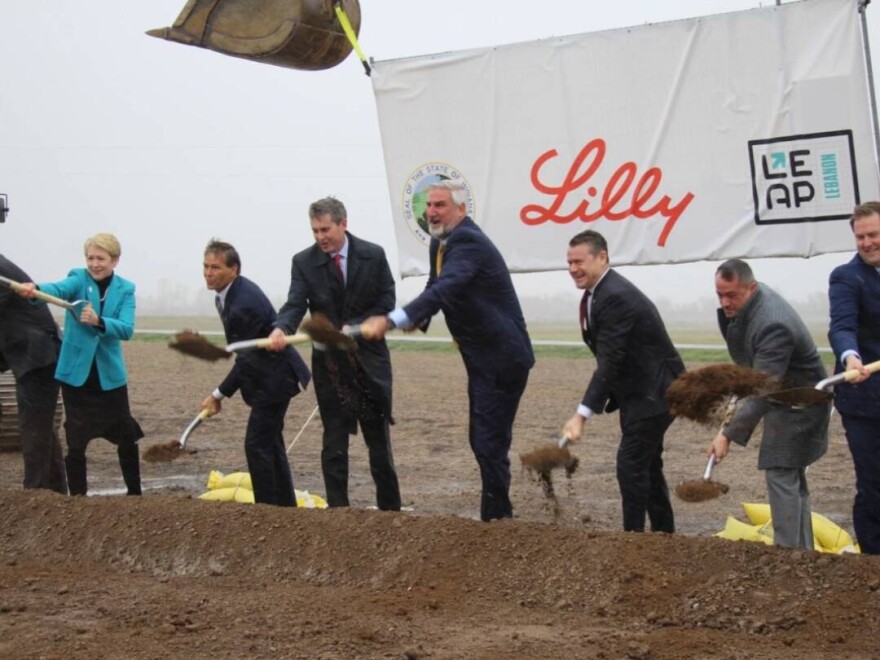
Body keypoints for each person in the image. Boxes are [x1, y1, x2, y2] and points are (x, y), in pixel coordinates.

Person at [360, 180, 534, 522]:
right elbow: (435, 286)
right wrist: (415, 319)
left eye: (440, 205)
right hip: (482, 358)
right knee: (482, 440)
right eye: (428, 205)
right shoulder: (440, 242)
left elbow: (449, 285)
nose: (431, 212)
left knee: (488, 442)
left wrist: (394, 319)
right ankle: (498, 517)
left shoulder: (468, 241)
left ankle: (498, 521)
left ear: (461, 210)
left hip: (501, 358)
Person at [268, 197, 401, 511]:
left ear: (343, 223)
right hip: (330, 367)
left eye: (325, 229)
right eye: (314, 231)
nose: (320, 237)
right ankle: (338, 516)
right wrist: (281, 329)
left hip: (369, 362)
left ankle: (393, 513)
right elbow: (294, 304)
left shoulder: (373, 255)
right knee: (334, 443)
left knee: (378, 443)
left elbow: (387, 299)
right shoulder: (303, 262)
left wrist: (357, 326)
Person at [560, 230, 683, 533]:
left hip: (655, 393)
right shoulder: (598, 293)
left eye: (580, 261)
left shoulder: (616, 296)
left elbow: (609, 361)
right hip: (640, 394)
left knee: (630, 466)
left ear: (602, 258)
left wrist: (581, 415)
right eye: (569, 262)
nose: (573, 269)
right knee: (647, 466)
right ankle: (664, 534)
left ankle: (632, 542)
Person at [710, 258, 829, 550]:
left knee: (780, 470)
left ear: (750, 288)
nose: (725, 302)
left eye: (731, 295)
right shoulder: (751, 306)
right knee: (790, 475)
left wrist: (726, 434)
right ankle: (802, 553)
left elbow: (763, 389)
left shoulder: (773, 323)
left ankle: (788, 554)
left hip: (801, 402)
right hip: (784, 396)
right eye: (720, 295)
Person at [16, 233, 144, 496]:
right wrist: (34, 290)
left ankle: (135, 494)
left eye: (101, 258)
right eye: (90, 258)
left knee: (126, 435)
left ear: (115, 260)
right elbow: (56, 289)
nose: (95, 264)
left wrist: (99, 321)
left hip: (110, 377)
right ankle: (78, 499)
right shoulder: (78, 278)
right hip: (76, 376)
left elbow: (127, 329)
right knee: (76, 440)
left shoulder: (126, 289)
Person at [200, 239, 311, 507]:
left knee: (256, 444)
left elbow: (246, 360)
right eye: (205, 266)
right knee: (270, 443)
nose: (208, 272)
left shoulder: (242, 304)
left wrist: (218, 394)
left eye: (215, 267)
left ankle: (266, 512)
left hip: (276, 379)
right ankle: (284, 507)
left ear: (233, 269)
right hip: (269, 376)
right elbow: (247, 357)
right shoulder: (229, 294)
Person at [828, 201, 880, 554]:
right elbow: (842, 326)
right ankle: (873, 560)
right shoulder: (847, 277)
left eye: (873, 234)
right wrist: (852, 357)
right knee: (874, 482)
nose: (866, 243)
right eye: (860, 237)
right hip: (864, 398)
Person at [0, 254, 67, 494]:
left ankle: (35, 495)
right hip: (32, 353)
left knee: (34, 429)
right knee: (42, 426)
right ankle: (56, 493)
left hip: (37, 355)